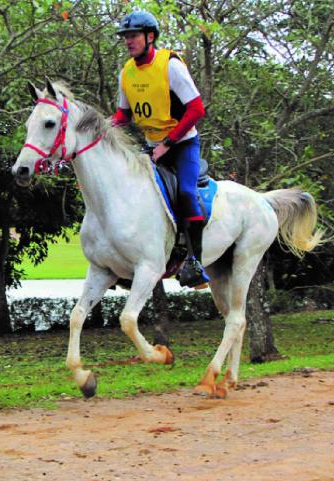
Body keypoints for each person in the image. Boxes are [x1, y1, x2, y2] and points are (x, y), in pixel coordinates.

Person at [113, 10, 209, 287]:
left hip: (182, 144)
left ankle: (195, 262)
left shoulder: (171, 65)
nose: (128, 41)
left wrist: (168, 144)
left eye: (133, 36)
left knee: (187, 192)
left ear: (150, 36)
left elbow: (196, 109)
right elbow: (123, 116)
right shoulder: (127, 72)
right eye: (125, 37)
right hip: (151, 146)